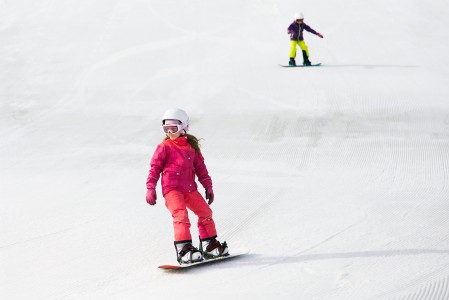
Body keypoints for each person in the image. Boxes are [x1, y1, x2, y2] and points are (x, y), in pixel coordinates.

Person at [146, 108, 229, 264]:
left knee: (205, 212)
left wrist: (208, 186)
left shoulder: (192, 148)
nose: (170, 132)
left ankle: (209, 244)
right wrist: (151, 187)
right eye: (166, 128)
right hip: (172, 190)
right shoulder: (164, 147)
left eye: (174, 128)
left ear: (184, 127)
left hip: (190, 189)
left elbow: (201, 168)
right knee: (180, 215)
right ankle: (184, 249)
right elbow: (154, 168)